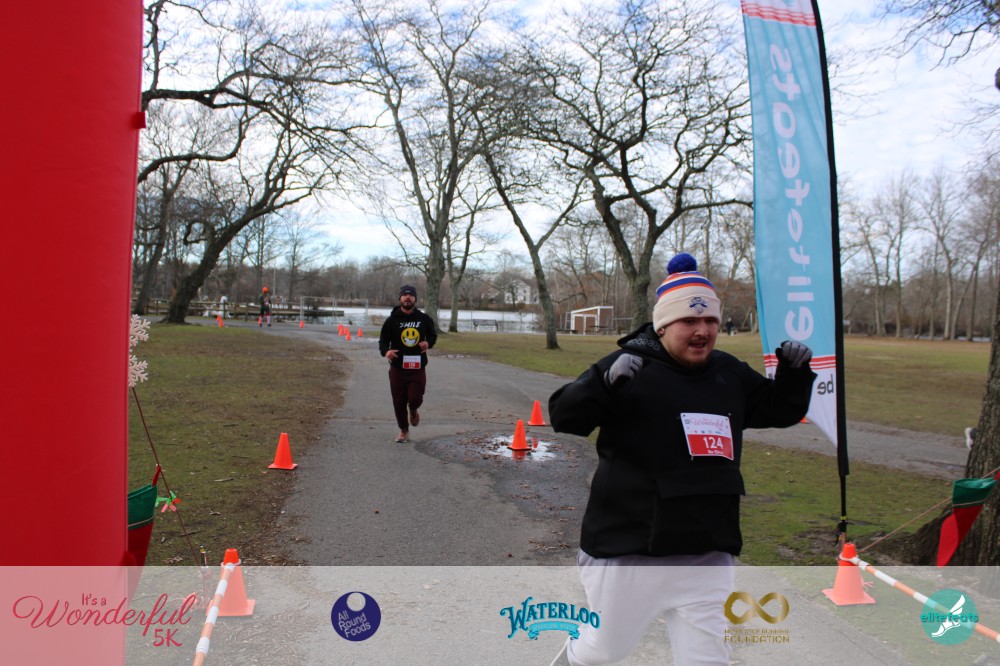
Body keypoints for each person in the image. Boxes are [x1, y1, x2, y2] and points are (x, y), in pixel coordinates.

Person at [547, 253, 816, 666]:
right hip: (629, 549)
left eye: (710, 320)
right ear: (663, 325)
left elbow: (778, 410)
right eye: (689, 321)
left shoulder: (728, 373)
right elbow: (564, 416)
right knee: (605, 650)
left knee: (707, 659)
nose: (702, 331)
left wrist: (793, 374)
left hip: (707, 548)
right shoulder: (629, 367)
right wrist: (603, 385)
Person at [378, 285, 437, 443]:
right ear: (400, 298)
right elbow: (383, 341)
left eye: (411, 295)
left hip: (417, 367)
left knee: (415, 398)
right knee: (398, 401)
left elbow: (433, 336)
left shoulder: (424, 319)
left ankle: (413, 409)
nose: (407, 297)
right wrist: (386, 352)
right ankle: (404, 430)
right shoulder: (392, 320)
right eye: (404, 295)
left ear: (415, 299)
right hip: (398, 367)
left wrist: (428, 343)